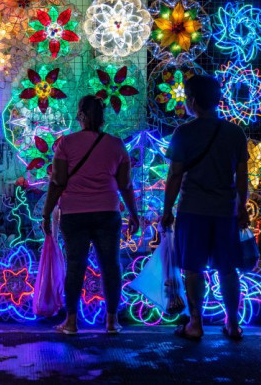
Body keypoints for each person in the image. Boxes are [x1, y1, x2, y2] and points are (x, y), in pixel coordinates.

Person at [41, 95, 140, 334]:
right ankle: (112, 321)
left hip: (74, 214)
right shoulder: (116, 145)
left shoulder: (66, 143)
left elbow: (58, 181)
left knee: (76, 265)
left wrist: (46, 213)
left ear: (81, 115)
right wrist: (134, 214)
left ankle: (71, 322)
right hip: (107, 212)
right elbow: (126, 184)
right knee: (111, 265)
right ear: (103, 117)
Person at [162, 74, 249, 341]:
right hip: (225, 211)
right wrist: (242, 207)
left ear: (193, 101)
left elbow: (175, 175)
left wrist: (168, 210)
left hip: (193, 210)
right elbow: (242, 175)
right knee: (227, 268)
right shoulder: (235, 132)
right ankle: (232, 324)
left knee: (193, 268)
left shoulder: (184, 133)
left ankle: (196, 324)